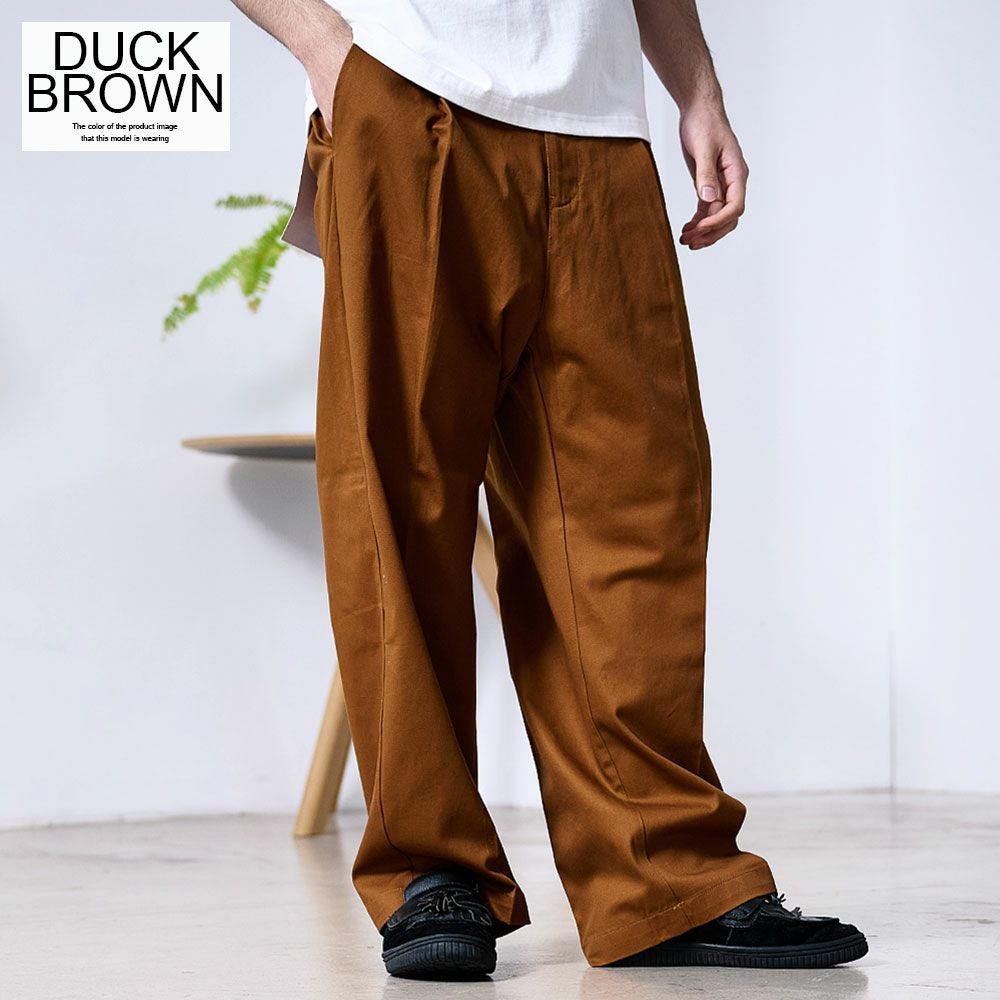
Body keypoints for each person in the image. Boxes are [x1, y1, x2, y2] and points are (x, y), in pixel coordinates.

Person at [230, 0, 869, 979]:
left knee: (635, 510)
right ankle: (431, 870)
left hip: (601, 125)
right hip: (406, 91)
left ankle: (662, 878)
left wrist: (696, 88)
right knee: (399, 501)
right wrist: (324, 49)